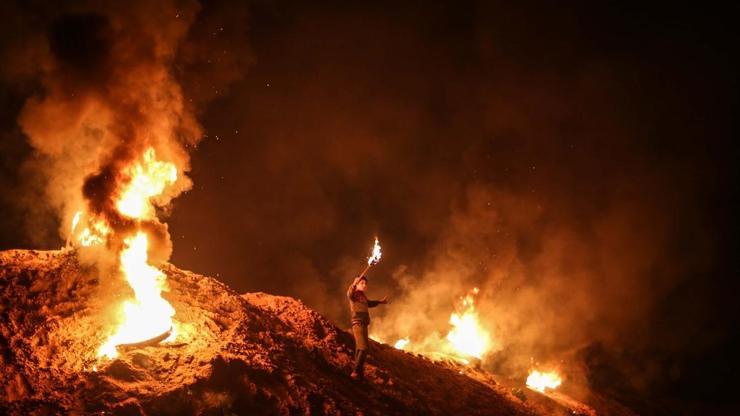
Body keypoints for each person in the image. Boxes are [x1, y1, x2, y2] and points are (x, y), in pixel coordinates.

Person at [346, 275, 388, 380]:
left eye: (365, 284)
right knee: (364, 348)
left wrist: (379, 302)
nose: (364, 285)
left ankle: (358, 373)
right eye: (362, 283)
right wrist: (353, 284)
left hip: (364, 323)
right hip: (358, 323)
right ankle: (355, 372)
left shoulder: (362, 296)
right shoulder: (354, 294)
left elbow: (369, 303)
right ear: (357, 284)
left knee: (360, 348)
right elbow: (349, 293)